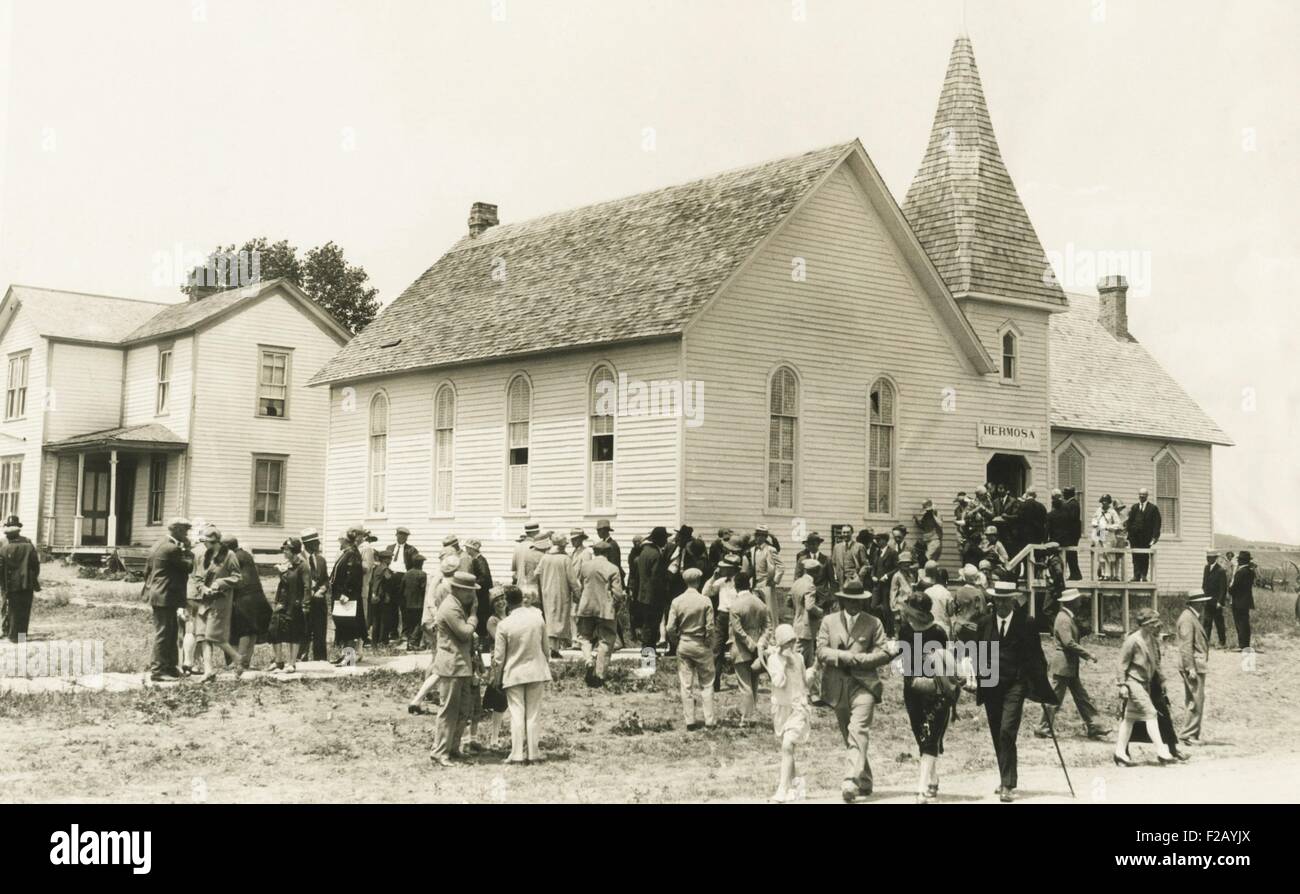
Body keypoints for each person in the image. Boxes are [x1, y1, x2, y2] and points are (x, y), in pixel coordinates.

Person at [975, 580, 1057, 802]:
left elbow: (1036, 657)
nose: (1001, 604)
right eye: (997, 599)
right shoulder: (984, 623)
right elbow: (977, 654)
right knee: (996, 732)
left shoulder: (1026, 623)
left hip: (1015, 684)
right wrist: (975, 678)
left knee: (1007, 730)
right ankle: (1004, 776)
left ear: (1013, 599)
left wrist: (1041, 687)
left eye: (1005, 599)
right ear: (993, 600)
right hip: (991, 685)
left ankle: (1008, 784)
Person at [815, 579, 891, 803]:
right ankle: (865, 779)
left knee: (858, 730)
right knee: (849, 734)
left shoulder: (873, 622)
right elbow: (820, 650)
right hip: (837, 686)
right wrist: (841, 657)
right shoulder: (828, 621)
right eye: (850, 601)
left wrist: (860, 659)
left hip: (864, 685)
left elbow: (884, 651)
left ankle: (850, 780)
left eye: (859, 601)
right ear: (842, 600)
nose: (855, 605)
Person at [898, 592, 959, 803]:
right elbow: (903, 661)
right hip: (913, 690)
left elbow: (948, 666)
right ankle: (933, 779)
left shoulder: (938, 633)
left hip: (937, 692)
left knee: (931, 737)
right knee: (921, 736)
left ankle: (921, 789)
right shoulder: (904, 631)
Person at [1034, 588, 1107, 739]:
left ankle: (1095, 726)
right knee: (1054, 699)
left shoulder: (1067, 617)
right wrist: (1088, 655)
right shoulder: (1063, 619)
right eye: (1078, 599)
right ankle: (1042, 727)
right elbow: (1068, 643)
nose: (1080, 602)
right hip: (1063, 666)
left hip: (1069, 666)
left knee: (1082, 698)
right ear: (1071, 602)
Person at [491, 584, 552, 764]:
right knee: (533, 714)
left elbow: (499, 658)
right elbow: (546, 650)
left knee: (517, 713)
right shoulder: (538, 620)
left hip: (514, 673)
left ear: (507, 603)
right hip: (536, 671)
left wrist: (496, 678)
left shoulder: (504, 625)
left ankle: (517, 754)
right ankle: (533, 753)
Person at [1114, 608, 1176, 766]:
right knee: (1151, 713)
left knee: (1129, 718)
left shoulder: (1152, 640)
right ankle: (1162, 751)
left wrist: (1162, 681)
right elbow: (1121, 664)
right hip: (1133, 682)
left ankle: (1119, 753)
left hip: (1145, 683)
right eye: (1153, 623)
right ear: (1145, 624)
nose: (1157, 627)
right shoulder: (1132, 640)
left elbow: (1156, 663)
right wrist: (1122, 685)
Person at [430, 571, 479, 766]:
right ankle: (439, 751)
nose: (472, 596)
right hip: (452, 665)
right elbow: (465, 633)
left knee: (463, 710)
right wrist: (474, 616)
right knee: (449, 711)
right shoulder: (450, 607)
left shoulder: (458, 605)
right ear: (457, 589)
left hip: (461, 665)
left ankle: (453, 748)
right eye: (469, 592)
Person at [764, 624, 812, 803]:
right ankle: (796, 785)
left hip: (798, 707)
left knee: (788, 745)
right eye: (786, 644)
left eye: (792, 642)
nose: (790, 647)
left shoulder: (799, 658)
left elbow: (804, 682)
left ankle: (782, 790)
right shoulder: (773, 660)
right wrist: (783, 663)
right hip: (781, 709)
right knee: (788, 749)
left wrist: (811, 675)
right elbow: (778, 682)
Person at [143, 518, 194, 682]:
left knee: (171, 632)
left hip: (159, 594)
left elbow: (147, 572)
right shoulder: (173, 549)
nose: (186, 534)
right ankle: (158, 670)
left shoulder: (157, 545)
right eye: (185, 531)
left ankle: (170, 667)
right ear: (177, 530)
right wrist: (189, 550)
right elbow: (188, 567)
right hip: (166, 596)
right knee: (164, 633)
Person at [666, 567, 716, 730]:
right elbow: (710, 626)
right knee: (707, 683)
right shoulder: (705, 600)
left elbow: (670, 628)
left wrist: (676, 641)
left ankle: (690, 721)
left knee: (686, 684)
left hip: (685, 643)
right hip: (701, 643)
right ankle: (709, 720)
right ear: (699, 581)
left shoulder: (677, 601)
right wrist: (709, 642)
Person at [193, 525, 245, 682]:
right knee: (202, 636)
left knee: (214, 636)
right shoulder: (205, 556)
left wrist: (220, 582)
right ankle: (209, 671)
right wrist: (203, 588)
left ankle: (238, 658)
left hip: (220, 601)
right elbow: (198, 578)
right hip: (205, 600)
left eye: (207, 542)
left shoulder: (229, 556)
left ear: (215, 542)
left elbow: (237, 578)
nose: (204, 545)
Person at [576, 539, 623, 687]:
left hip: (586, 606)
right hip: (605, 608)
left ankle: (589, 661)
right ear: (608, 552)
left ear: (594, 552)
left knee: (584, 637)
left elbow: (580, 586)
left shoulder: (585, 566)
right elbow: (618, 593)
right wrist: (617, 606)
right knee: (606, 640)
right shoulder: (612, 568)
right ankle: (600, 675)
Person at [728, 572, 770, 725]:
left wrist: (750, 644)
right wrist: (760, 644)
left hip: (740, 649)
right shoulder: (760, 603)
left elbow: (737, 631)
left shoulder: (735, 605)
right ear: (749, 584)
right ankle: (751, 715)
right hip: (758, 650)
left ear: (736, 586)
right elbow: (768, 627)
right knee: (754, 684)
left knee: (745, 685)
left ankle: (746, 718)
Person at [225, 536, 270, 671]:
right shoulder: (246, 555)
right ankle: (245, 661)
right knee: (252, 631)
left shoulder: (234, 556)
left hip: (245, 597)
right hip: (257, 596)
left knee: (243, 629)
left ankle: (238, 661)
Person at [267, 537, 310, 674]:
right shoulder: (287, 563)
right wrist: (281, 572)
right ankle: (279, 661)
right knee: (274, 630)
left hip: (295, 603)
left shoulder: (303, 566)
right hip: (282, 602)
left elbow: (307, 587)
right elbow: (285, 583)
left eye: (286, 550)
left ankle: (292, 663)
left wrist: (305, 604)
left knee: (294, 633)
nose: (284, 552)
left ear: (294, 551)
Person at [1177, 591, 1212, 746]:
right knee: (1195, 699)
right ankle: (1188, 735)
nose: (1204, 605)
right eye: (1202, 602)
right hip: (1193, 666)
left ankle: (1191, 734)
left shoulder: (1191, 617)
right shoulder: (1187, 619)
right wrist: (1190, 668)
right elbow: (1186, 646)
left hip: (1196, 665)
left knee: (1196, 698)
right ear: (1195, 603)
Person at [537, 532, 580, 657]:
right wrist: (577, 592)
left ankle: (552, 647)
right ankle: (553, 648)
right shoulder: (565, 559)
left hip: (547, 592)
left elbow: (537, 572)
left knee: (551, 618)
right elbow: (572, 579)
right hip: (561, 592)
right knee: (559, 618)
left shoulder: (545, 557)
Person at [330, 527, 368, 664]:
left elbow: (352, 575)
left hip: (348, 597)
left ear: (345, 541)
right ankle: (345, 655)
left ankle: (349, 657)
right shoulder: (347, 552)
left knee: (349, 626)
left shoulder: (352, 554)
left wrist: (346, 592)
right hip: (341, 595)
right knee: (343, 626)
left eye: (340, 540)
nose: (339, 542)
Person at [0, 514, 40, 643]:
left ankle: (11, 636)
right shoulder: (28, 545)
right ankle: (21, 637)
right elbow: (35, 565)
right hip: (27, 583)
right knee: (24, 610)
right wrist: (33, 578)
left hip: (10, 583)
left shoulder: (3, 548)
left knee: (11, 609)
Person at [702, 555, 739, 692]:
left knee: (736, 650)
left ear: (732, 569)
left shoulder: (740, 581)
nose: (722, 570)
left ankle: (742, 681)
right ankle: (714, 683)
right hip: (722, 617)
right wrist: (713, 577)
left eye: (725, 568)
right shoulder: (721, 581)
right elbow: (705, 592)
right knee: (716, 650)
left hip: (735, 617)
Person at [788, 558, 824, 675]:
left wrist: (798, 608)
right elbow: (810, 606)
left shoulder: (796, 583)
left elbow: (788, 602)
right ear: (816, 571)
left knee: (802, 659)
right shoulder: (810, 586)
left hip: (797, 624)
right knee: (802, 662)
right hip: (806, 628)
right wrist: (820, 612)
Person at [299, 528, 330, 661]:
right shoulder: (298, 559)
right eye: (315, 542)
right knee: (303, 632)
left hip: (319, 603)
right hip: (304, 603)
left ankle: (320, 660)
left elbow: (326, 579)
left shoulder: (321, 560)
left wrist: (323, 588)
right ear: (307, 544)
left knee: (320, 633)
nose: (318, 544)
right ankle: (300, 658)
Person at [385, 527, 419, 643]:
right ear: (396, 535)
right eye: (400, 535)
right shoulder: (389, 548)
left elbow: (415, 566)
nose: (402, 537)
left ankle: (405, 633)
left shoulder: (411, 550)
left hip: (404, 579)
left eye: (404, 536)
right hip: (391, 578)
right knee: (391, 607)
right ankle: (393, 632)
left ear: (407, 537)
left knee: (404, 607)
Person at [750, 525, 785, 625]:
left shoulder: (770, 550)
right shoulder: (753, 550)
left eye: (761, 536)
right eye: (756, 535)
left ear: (765, 537)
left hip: (767, 584)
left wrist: (774, 580)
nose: (757, 538)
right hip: (755, 584)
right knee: (756, 610)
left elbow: (781, 566)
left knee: (769, 612)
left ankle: (772, 635)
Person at [1125, 488, 1162, 581]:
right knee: (1135, 556)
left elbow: (1157, 524)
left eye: (1144, 495)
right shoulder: (1135, 507)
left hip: (1146, 538)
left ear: (1147, 496)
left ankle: (1143, 575)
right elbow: (1129, 522)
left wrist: (1154, 537)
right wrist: (1128, 536)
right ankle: (1136, 575)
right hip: (1135, 537)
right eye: (1140, 495)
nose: (1142, 497)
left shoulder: (1153, 508)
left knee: (1144, 556)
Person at [465, 539, 493, 645]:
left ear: (472, 549)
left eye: (468, 547)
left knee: (481, 617)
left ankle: (482, 641)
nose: (466, 549)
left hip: (481, 595)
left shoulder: (478, 560)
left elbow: (484, 578)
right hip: (481, 594)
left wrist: (472, 584)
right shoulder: (477, 559)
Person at [400, 553, 428, 651]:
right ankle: (413, 642)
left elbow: (401, 588)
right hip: (418, 603)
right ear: (421, 564)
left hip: (406, 603)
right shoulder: (422, 574)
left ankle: (407, 642)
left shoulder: (407, 574)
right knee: (418, 623)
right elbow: (423, 589)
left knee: (408, 623)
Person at [1091, 495, 1123, 581]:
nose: (1104, 503)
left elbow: (1118, 525)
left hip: (1109, 534)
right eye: (1102, 501)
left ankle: (1108, 574)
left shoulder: (1112, 512)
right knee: (1101, 554)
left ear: (1109, 502)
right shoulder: (1098, 510)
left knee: (1108, 554)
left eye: (1106, 501)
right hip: (1100, 533)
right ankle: (1102, 573)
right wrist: (1095, 524)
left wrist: (1109, 527)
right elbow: (1094, 519)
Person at [1228, 551, 1256, 650]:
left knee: (1240, 623)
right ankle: (1245, 644)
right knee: (1245, 623)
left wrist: (1229, 589)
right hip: (1246, 601)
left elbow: (1234, 588)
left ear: (1241, 561)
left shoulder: (1240, 573)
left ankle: (1242, 645)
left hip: (1238, 601)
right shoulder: (1250, 572)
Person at [1201, 550, 1229, 647]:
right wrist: (1203, 597)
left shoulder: (1220, 571)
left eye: (1210, 558)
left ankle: (1222, 642)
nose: (1208, 559)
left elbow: (1223, 588)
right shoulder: (1206, 568)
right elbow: (1204, 584)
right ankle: (1205, 642)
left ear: (1215, 558)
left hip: (1216, 602)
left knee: (1219, 622)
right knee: (1207, 622)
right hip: (1207, 600)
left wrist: (1220, 602)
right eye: (1207, 557)